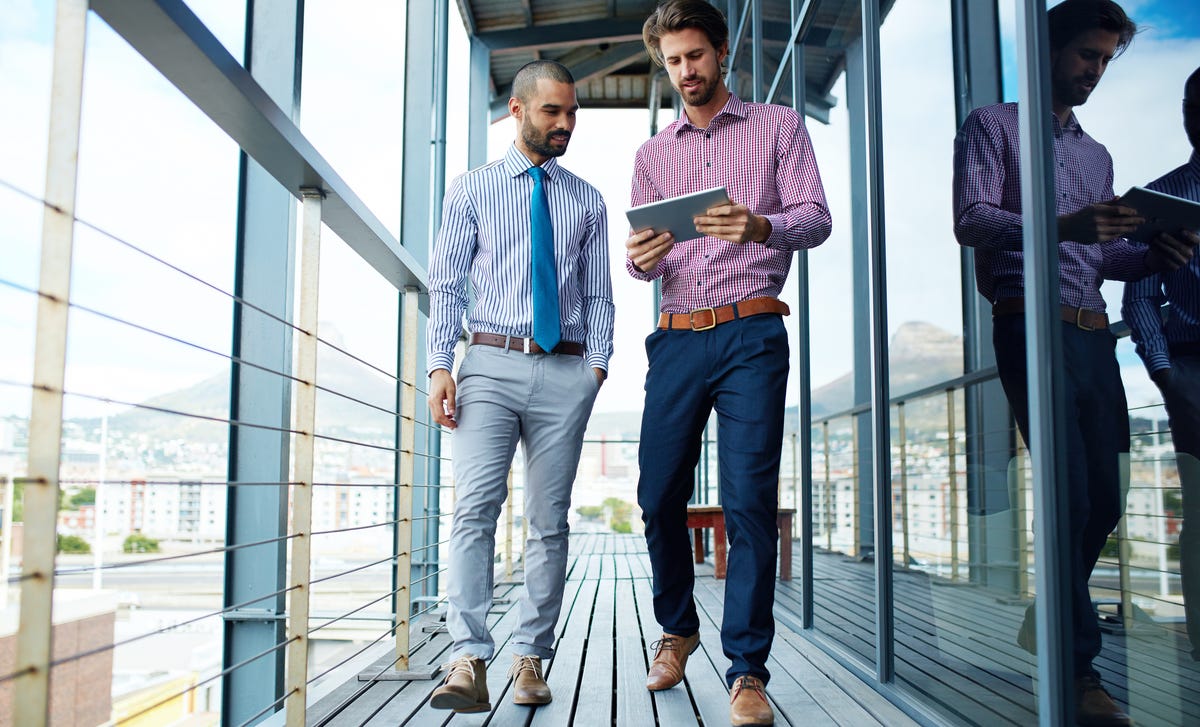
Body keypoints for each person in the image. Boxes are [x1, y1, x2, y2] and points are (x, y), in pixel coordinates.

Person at [953, 1, 1194, 724]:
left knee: (1109, 501)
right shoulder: (992, 126)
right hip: (1028, 323)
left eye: (1106, 60)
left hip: (1094, 334)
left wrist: (1152, 252)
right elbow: (972, 219)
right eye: (1087, 55)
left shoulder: (1097, 156)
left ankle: (1050, 614)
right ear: (1052, 47)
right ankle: (1079, 671)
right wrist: (1062, 224)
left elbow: (1098, 252)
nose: (1095, 70)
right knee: (1071, 497)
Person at [624, 2, 831, 724]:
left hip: (751, 333)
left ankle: (747, 671)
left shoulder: (778, 126)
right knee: (657, 496)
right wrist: (642, 258)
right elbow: (643, 261)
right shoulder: (653, 156)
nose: (685, 71)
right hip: (678, 336)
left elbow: (817, 217)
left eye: (695, 56)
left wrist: (760, 223)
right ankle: (677, 629)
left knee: (747, 502)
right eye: (673, 61)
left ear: (721, 52)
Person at [425, 59, 613, 712]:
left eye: (572, 114)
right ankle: (468, 657)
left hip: (566, 371)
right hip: (491, 365)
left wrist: (597, 369)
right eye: (551, 112)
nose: (564, 124)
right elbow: (446, 283)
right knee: (474, 509)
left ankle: (531, 655)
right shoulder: (471, 189)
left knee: (548, 522)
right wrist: (440, 365)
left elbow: (599, 296)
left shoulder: (587, 199)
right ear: (517, 110)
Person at [1122, 66, 1200, 663]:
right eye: (1189, 104)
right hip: (1192, 369)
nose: (1195, 114)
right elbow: (1142, 296)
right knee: (1198, 511)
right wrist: (1165, 375)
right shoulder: (1165, 198)